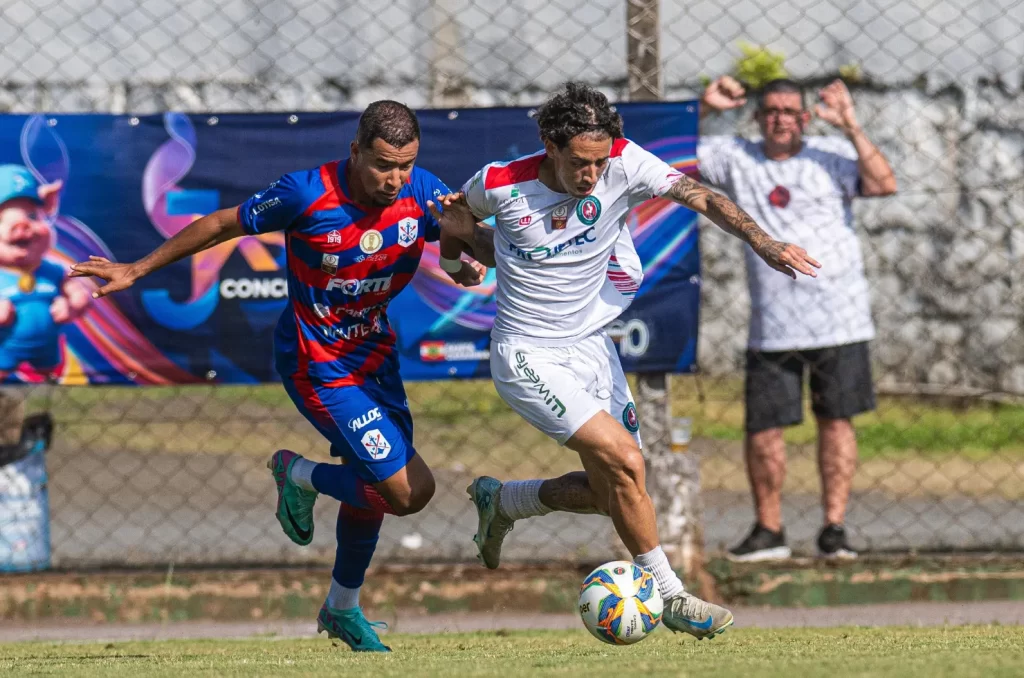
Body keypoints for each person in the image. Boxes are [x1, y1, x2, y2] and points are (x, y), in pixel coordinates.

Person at [70, 101, 487, 653]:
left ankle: (342, 608)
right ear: (356, 150)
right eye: (384, 164)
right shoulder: (305, 192)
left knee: (379, 486)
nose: (396, 179)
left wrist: (465, 239)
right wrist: (136, 269)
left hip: (374, 359)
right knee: (410, 491)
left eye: (406, 164)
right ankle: (300, 476)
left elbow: (474, 257)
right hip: (319, 364)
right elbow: (221, 224)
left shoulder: (421, 190)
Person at [430, 82, 820, 640]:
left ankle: (506, 500)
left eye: (600, 162)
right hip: (526, 353)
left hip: (593, 349)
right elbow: (458, 217)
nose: (592, 176)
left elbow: (701, 195)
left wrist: (764, 242)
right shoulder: (499, 181)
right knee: (625, 463)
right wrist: (458, 264)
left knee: (617, 488)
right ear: (549, 145)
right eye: (579, 163)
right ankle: (673, 596)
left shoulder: (624, 161)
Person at [697, 76, 897, 562]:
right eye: (771, 111)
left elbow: (882, 183)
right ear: (757, 117)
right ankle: (770, 530)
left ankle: (834, 529)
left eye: (790, 111)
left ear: (805, 118)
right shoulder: (736, 156)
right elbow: (667, 158)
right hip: (773, 325)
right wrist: (704, 108)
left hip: (841, 318)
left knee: (836, 421)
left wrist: (849, 123)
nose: (780, 118)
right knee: (763, 429)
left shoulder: (829, 155)